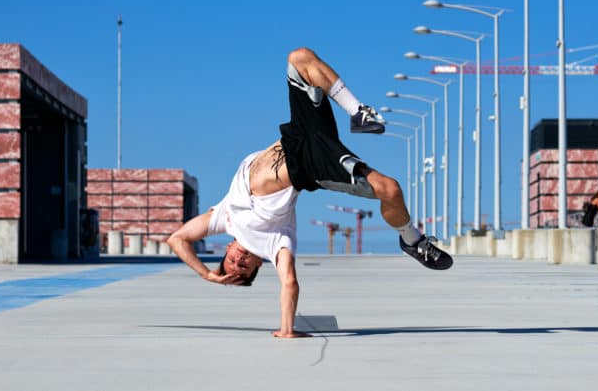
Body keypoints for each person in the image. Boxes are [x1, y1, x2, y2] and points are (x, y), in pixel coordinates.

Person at [168, 47, 453, 339]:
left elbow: (177, 239)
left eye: (233, 262)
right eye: (244, 267)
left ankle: (359, 113)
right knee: (390, 189)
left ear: (227, 249)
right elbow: (289, 283)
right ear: (257, 264)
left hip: (298, 134)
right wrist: (287, 329)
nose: (239, 260)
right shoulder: (274, 242)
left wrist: (207, 275)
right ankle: (412, 241)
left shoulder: (224, 217)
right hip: (313, 165)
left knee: (299, 58)